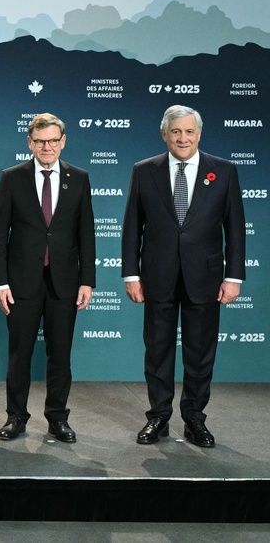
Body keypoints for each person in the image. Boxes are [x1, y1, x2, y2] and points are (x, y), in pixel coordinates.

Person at [122, 105, 245, 448]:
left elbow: (235, 230)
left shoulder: (223, 170)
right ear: (165, 134)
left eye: (189, 131)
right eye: (176, 131)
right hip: (156, 276)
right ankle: (158, 417)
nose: (183, 138)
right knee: (158, 351)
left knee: (200, 352)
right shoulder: (144, 171)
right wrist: (131, 274)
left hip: (204, 277)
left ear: (199, 134)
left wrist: (234, 277)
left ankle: (194, 419)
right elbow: (133, 226)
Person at [0, 113, 95, 443]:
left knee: (60, 353)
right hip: (20, 282)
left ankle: (57, 418)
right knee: (19, 354)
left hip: (64, 281)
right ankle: (16, 417)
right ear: (30, 143)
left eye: (53, 141)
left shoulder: (78, 178)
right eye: (40, 141)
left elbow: (86, 234)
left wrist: (87, 280)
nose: (47, 146)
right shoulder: (12, 177)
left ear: (63, 141)